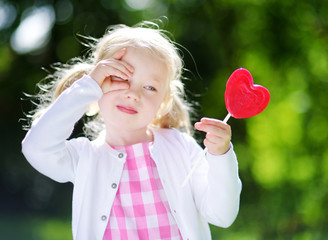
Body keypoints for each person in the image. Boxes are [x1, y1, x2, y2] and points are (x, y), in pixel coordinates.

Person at [22, 21, 242, 240]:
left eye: (150, 87)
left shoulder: (181, 148)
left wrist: (221, 156)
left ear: (163, 102)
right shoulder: (85, 157)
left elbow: (222, 215)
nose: (133, 94)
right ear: (99, 83)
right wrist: (88, 87)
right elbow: (36, 149)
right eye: (121, 77)